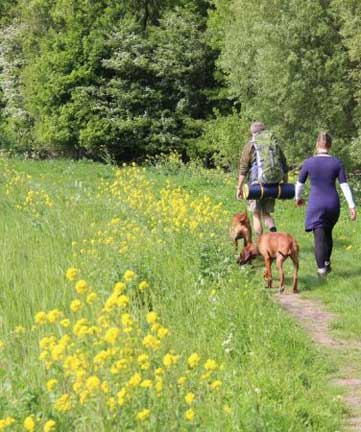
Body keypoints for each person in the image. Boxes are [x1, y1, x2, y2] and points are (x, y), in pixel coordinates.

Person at [295, 131, 356, 277]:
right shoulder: (336, 162)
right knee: (327, 233)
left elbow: (299, 184)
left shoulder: (309, 162)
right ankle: (327, 263)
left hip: (316, 203)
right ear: (330, 145)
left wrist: (297, 198)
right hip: (332, 204)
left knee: (319, 238)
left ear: (317, 144)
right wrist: (351, 205)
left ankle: (321, 272)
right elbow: (344, 185)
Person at [237, 121, 288, 237]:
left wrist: (239, 188)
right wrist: (285, 184)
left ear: (252, 132)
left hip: (256, 184)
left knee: (256, 214)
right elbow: (284, 166)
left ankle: (260, 242)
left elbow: (243, 169)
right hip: (273, 183)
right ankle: (273, 233)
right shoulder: (274, 144)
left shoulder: (250, 145)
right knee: (266, 213)